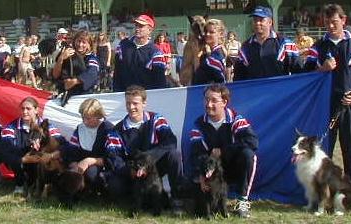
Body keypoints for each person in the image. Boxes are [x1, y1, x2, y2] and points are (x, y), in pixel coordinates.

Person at [304, 4, 351, 189]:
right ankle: (324, 188)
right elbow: (306, 77)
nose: (331, 26)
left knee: (350, 147)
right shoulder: (317, 47)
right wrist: (322, 68)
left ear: (343, 20)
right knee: (324, 147)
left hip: (349, 104)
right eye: (327, 22)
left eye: (334, 22)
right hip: (325, 106)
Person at [106, 85, 184, 213]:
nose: (131, 107)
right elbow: (114, 157)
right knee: (115, 185)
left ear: (144, 103)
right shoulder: (116, 130)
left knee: (174, 155)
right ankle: (136, 200)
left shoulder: (156, 119)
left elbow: (170, 142)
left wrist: (148, 158)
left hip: (154, 166)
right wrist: (130, 169)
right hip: (133, 170)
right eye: (128, 103)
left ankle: (177, 199)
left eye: (135, 103)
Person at [187, 84, 258, 218]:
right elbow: (196, 154)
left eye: (214, 100)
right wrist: (201, 175)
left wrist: (224, 151)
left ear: (224, 102)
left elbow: (252, 141)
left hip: (232, 167)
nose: (209, 104)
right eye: (206, 99)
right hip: (211, 173)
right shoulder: (198, 124)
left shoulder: (236, 119)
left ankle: (242, 201)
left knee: (249, 155)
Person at [0, 97, 66, 194]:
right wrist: (23, 159)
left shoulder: (47, 127)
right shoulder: (11, 127)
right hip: (22, 160)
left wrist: (51, 155)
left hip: (42, 161)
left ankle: (46, 185)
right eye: (22, 108)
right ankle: (20, 184)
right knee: (11, 155)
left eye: (28, 109)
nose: (25, 112)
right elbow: (4, 150)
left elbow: (63, 145)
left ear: (36, 110)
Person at [234, 6, 302, 81]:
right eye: (255, 20)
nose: (257, 23)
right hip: (255, 91)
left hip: (280, 91)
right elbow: (239, 76)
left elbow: (298, 71)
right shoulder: (245, 47)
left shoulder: (285, 43)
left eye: (261, 20)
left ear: (270, 22)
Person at [63, 98, 114, 192]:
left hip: (101, 166)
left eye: (88, 118)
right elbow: (71, 150)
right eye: (83, 118)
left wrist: (89, 161)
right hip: (80, 164)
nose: (85, 121)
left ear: (98, 115)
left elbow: (112, 157)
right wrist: (73, 163)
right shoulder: (80, 128)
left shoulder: (108, 129)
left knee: (92, 173)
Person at [113, 13, 167, 91]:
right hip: (124, 96)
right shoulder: (122, 46)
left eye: (141, 26)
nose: (137, 28)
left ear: (150, 30)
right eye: (136, 25)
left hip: (145, 98)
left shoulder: (156, 53)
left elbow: (160, 82)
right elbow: (117, 73)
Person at [52, 30, 100, 95]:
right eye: (79, 41)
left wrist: (74, 81)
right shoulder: (67, 54)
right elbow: (55, 75)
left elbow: (92, 73)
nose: (80, 45)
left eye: (84, 42)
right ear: (74, 41)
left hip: (83, 95)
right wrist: (61, 58)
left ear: (89, 45)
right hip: (64, 93)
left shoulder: (91, 58)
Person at [192, 19, 227, 85]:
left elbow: (221, 83)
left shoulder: (215, 58)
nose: (207, 34)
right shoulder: (210, 54)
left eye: (211, 32)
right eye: (206, 31)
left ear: (220, 34)